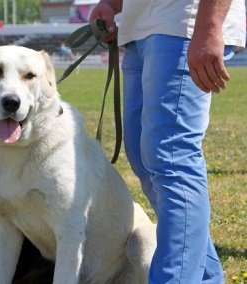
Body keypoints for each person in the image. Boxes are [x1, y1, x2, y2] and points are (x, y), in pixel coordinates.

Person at [89, 0, 245, 283]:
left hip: (183, 21)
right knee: (142, 156)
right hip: (140, 26)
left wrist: (209, 27)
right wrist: (111, 4)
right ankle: (206, 277)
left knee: (171, 157)